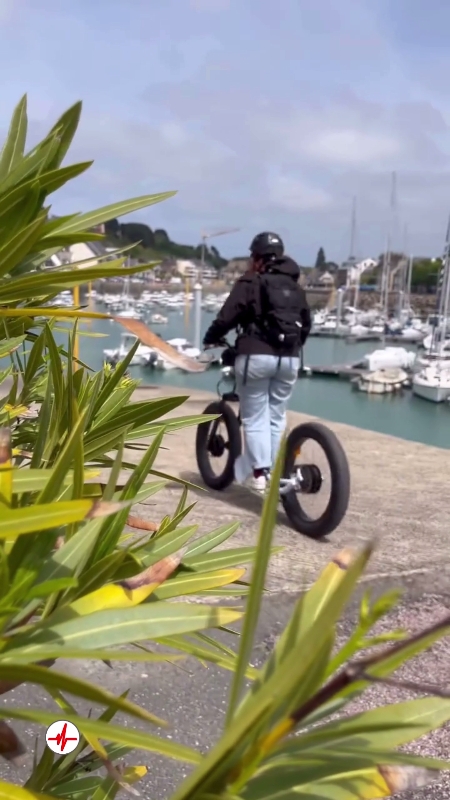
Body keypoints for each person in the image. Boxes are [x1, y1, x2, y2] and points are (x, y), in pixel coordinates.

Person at [203, 231, 311, 493]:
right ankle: (271, 470)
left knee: (254, 417)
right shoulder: (295, 287)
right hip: (289, 359)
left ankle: (259, 474)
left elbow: (227, 316)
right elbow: (306, 324)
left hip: (256, 356)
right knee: (275, 415)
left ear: (258, 258)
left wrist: (211, 337)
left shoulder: (252, 281)